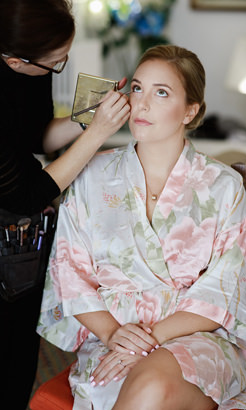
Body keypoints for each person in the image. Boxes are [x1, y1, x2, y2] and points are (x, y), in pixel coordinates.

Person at [36, 44, 246, 409]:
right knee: (133, 389)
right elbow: (70, 274)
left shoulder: (223, 186)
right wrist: (115, 334)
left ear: (190, 111)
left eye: (161, 93)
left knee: (150, 388)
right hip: (114, 338)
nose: (141, 105)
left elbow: (224, 290)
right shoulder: (91, 175)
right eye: (138, 88)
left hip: (193, 336)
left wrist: (151, 338)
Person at [0, 0, 129, 407]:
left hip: (19, 240)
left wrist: (86, 115)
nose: (61, 66)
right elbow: (26, 194)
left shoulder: (30, 68)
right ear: (14, 60)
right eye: (56, 63)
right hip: (12, 218)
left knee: (18, 356)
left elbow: (36, 136)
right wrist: (98, 135)